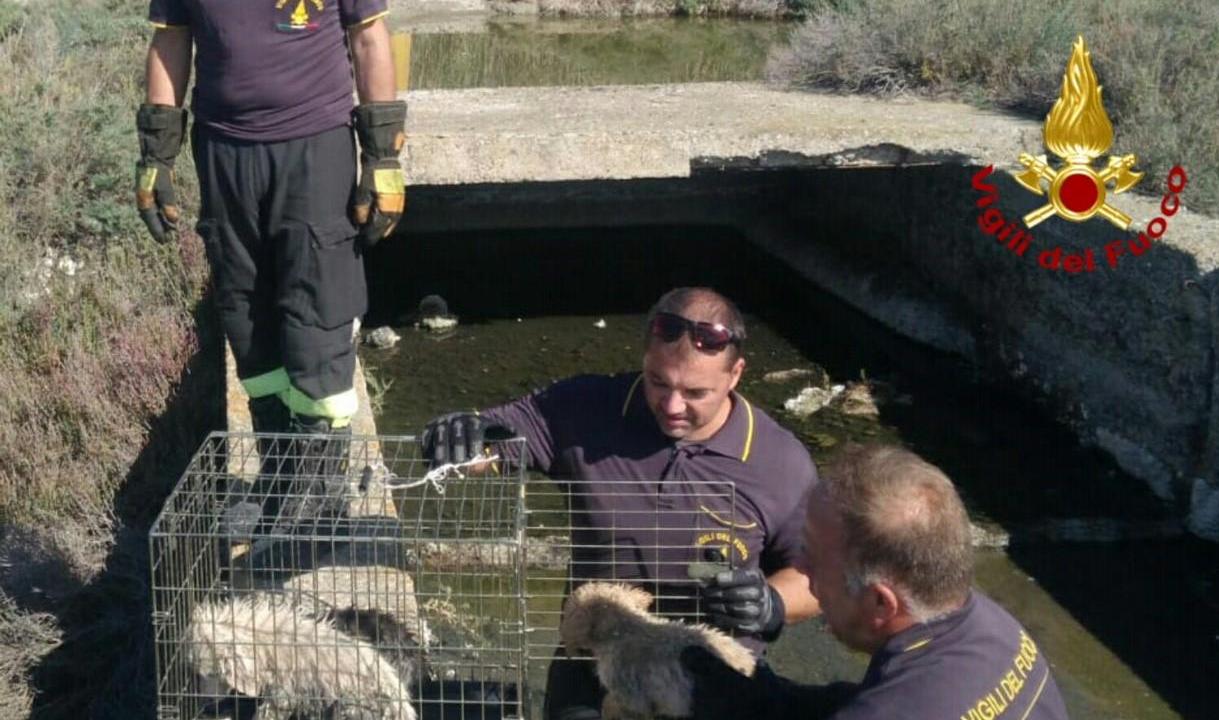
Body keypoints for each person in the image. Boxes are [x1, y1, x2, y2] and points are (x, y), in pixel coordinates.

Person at [419, 287, 822, 720]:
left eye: (695, 393)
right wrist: (460, 435)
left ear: (735, 373)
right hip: (595, 662)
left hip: (715, 677)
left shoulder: (779, 461)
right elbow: (500, 437)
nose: (671, 406)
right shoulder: (585, 409)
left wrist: (772, 604)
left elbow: (819, 575)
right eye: (657, 381)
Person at [136, 0, 406, 480]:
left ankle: (320, 494)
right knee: (246, 313)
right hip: (224, 150)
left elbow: (368, 36)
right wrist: (157, 154)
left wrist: (383, 156)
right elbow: (171, 39)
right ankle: (281, 480)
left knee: (318, 313)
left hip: (315, 146)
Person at [681, 443, 1071, 720]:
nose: (800, 569)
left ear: (881, 603)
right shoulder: (994, 629)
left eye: (814, 562)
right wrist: (777, 700)